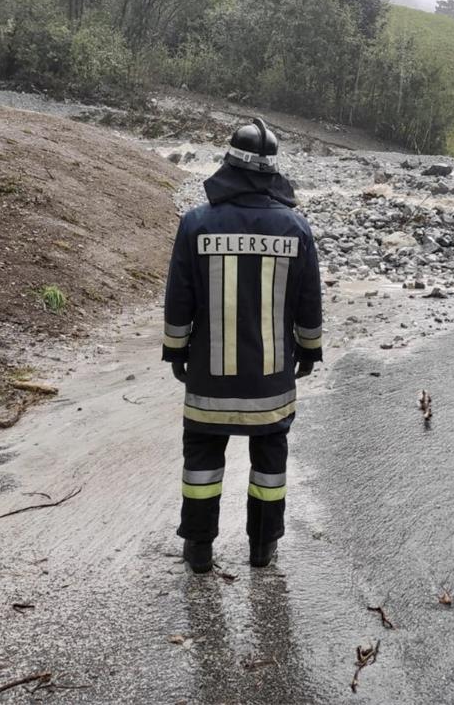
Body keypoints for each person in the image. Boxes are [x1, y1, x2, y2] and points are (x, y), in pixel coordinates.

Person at [162, 118, 323, 573]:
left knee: (201, 463)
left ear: (229, 165)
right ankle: (262, 548)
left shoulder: (195, 224)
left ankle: (198, 550)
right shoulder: (296, 228)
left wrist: (176, 351)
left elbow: (178, 299)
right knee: (270, 464)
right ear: (272, 172)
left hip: (209, 379)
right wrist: (309, 351)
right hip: (271, 382)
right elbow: (309, 302)